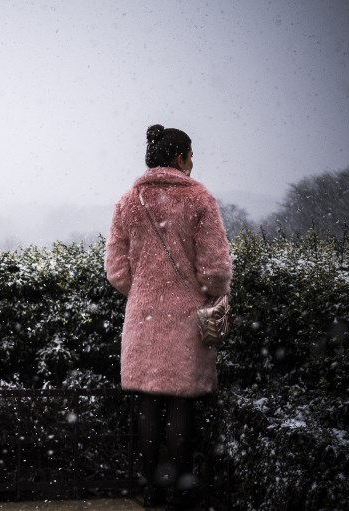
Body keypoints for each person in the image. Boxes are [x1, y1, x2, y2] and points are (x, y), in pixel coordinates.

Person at [105, 125, 232, 510]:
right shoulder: (200, 199)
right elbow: (216, 270)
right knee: (180, 405)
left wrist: (144, 291)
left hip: (142, 316)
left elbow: (116, 269)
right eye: (191, 156)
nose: (193, 163)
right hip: (186, 317)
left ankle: (150, 490)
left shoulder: (129, 200)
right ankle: (179, 492)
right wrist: (202, 294)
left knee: (147, 404)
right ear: (180, 157)